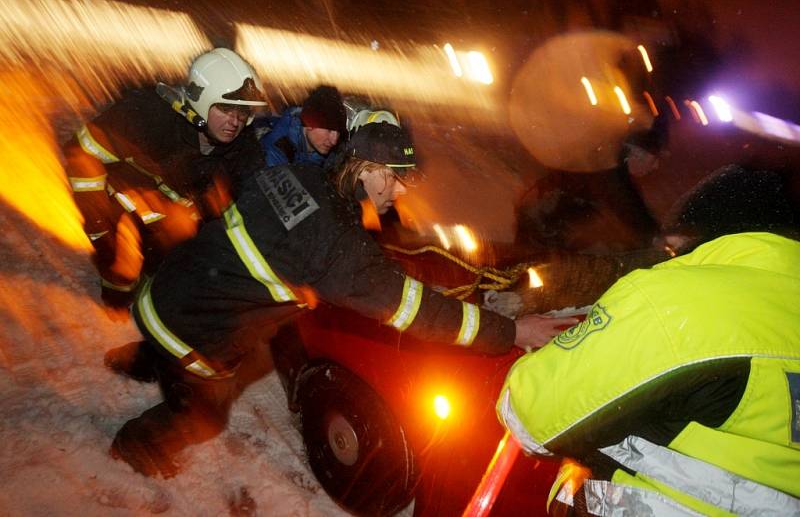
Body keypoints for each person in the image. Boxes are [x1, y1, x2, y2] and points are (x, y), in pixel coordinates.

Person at [109, 122, 576, 478]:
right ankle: (136, 446)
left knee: (164, 346)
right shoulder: (337, 246)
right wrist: (512, 331)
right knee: (203, 416)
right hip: (195, 329)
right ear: (365, 169)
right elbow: (417, 310)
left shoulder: (296, 175)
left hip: (168, 288)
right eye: (393, 178)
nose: (401, 190)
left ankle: (140, 360)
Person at [495, 165, 800, 515]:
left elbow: (530, 415)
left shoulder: (677, 302)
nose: (667, 258)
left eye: (674, 248)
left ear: (702, 238)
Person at [64, 48, 267, 319]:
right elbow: (81, 154)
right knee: (120, 274)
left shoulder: (244, 153)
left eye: (242, 113)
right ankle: (115, 289)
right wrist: (100, 230)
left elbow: (236, 214)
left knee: (177, 285)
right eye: (226, 108)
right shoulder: (149, 118)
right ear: (201, 100)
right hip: (117, 206)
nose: (235, 122)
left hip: (171, 225)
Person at [257, 84, 347, 169]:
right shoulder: (276, 149)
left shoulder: (335, 151)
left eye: (338, 132)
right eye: (329, 130)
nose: (334, 141)